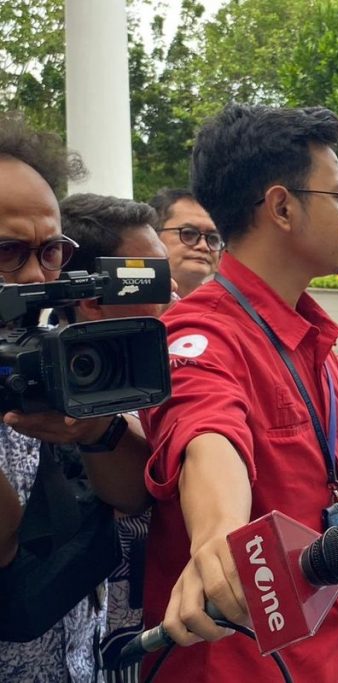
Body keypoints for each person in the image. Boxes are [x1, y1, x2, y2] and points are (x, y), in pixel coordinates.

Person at [140, 104, 338, 682]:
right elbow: (206, 430)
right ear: (281, 207)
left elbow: (320, 504)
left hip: (332, 653)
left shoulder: (309, 335)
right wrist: (219, 536)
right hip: (238, 664)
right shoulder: (199, 334)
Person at [0, 114, 153, 682]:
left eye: (51, 251)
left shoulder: (54, 352)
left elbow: (135, 498)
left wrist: (96, 430)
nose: (37, 277)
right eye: (8, 251)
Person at [59, 192, 179, 682]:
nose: (173, 294)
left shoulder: (164, 372)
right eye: (154, 278)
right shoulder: (36, 396)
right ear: (90, 298)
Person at [149, 187, 221, 298]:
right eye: (188, 234)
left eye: (213, 238)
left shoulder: (234, 308)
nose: (204, 246)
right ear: (153, 236)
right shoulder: (128, 306)